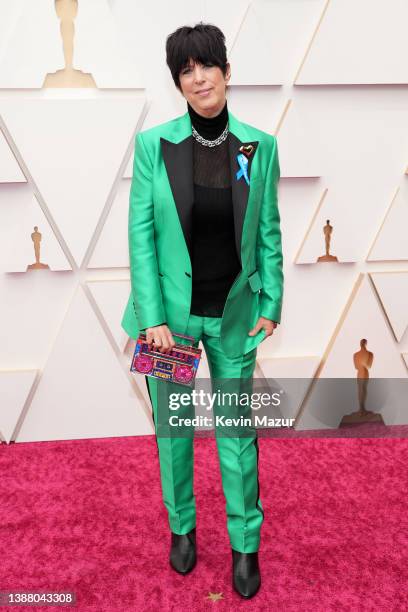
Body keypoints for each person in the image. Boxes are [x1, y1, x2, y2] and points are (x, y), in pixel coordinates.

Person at [121, 22, 284, 599]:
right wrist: (150, 318)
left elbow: (267, 230)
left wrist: (273, 300)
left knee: (237, 433)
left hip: (235, 315)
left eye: (205, 65)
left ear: (226, 72)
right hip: (169, 322)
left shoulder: (256, 147)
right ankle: (182, 529)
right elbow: (141, 233)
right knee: (175, 429)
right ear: (178, 83)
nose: (197, 78)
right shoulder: (154, 146)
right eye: (185, 71)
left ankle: (246, 545)